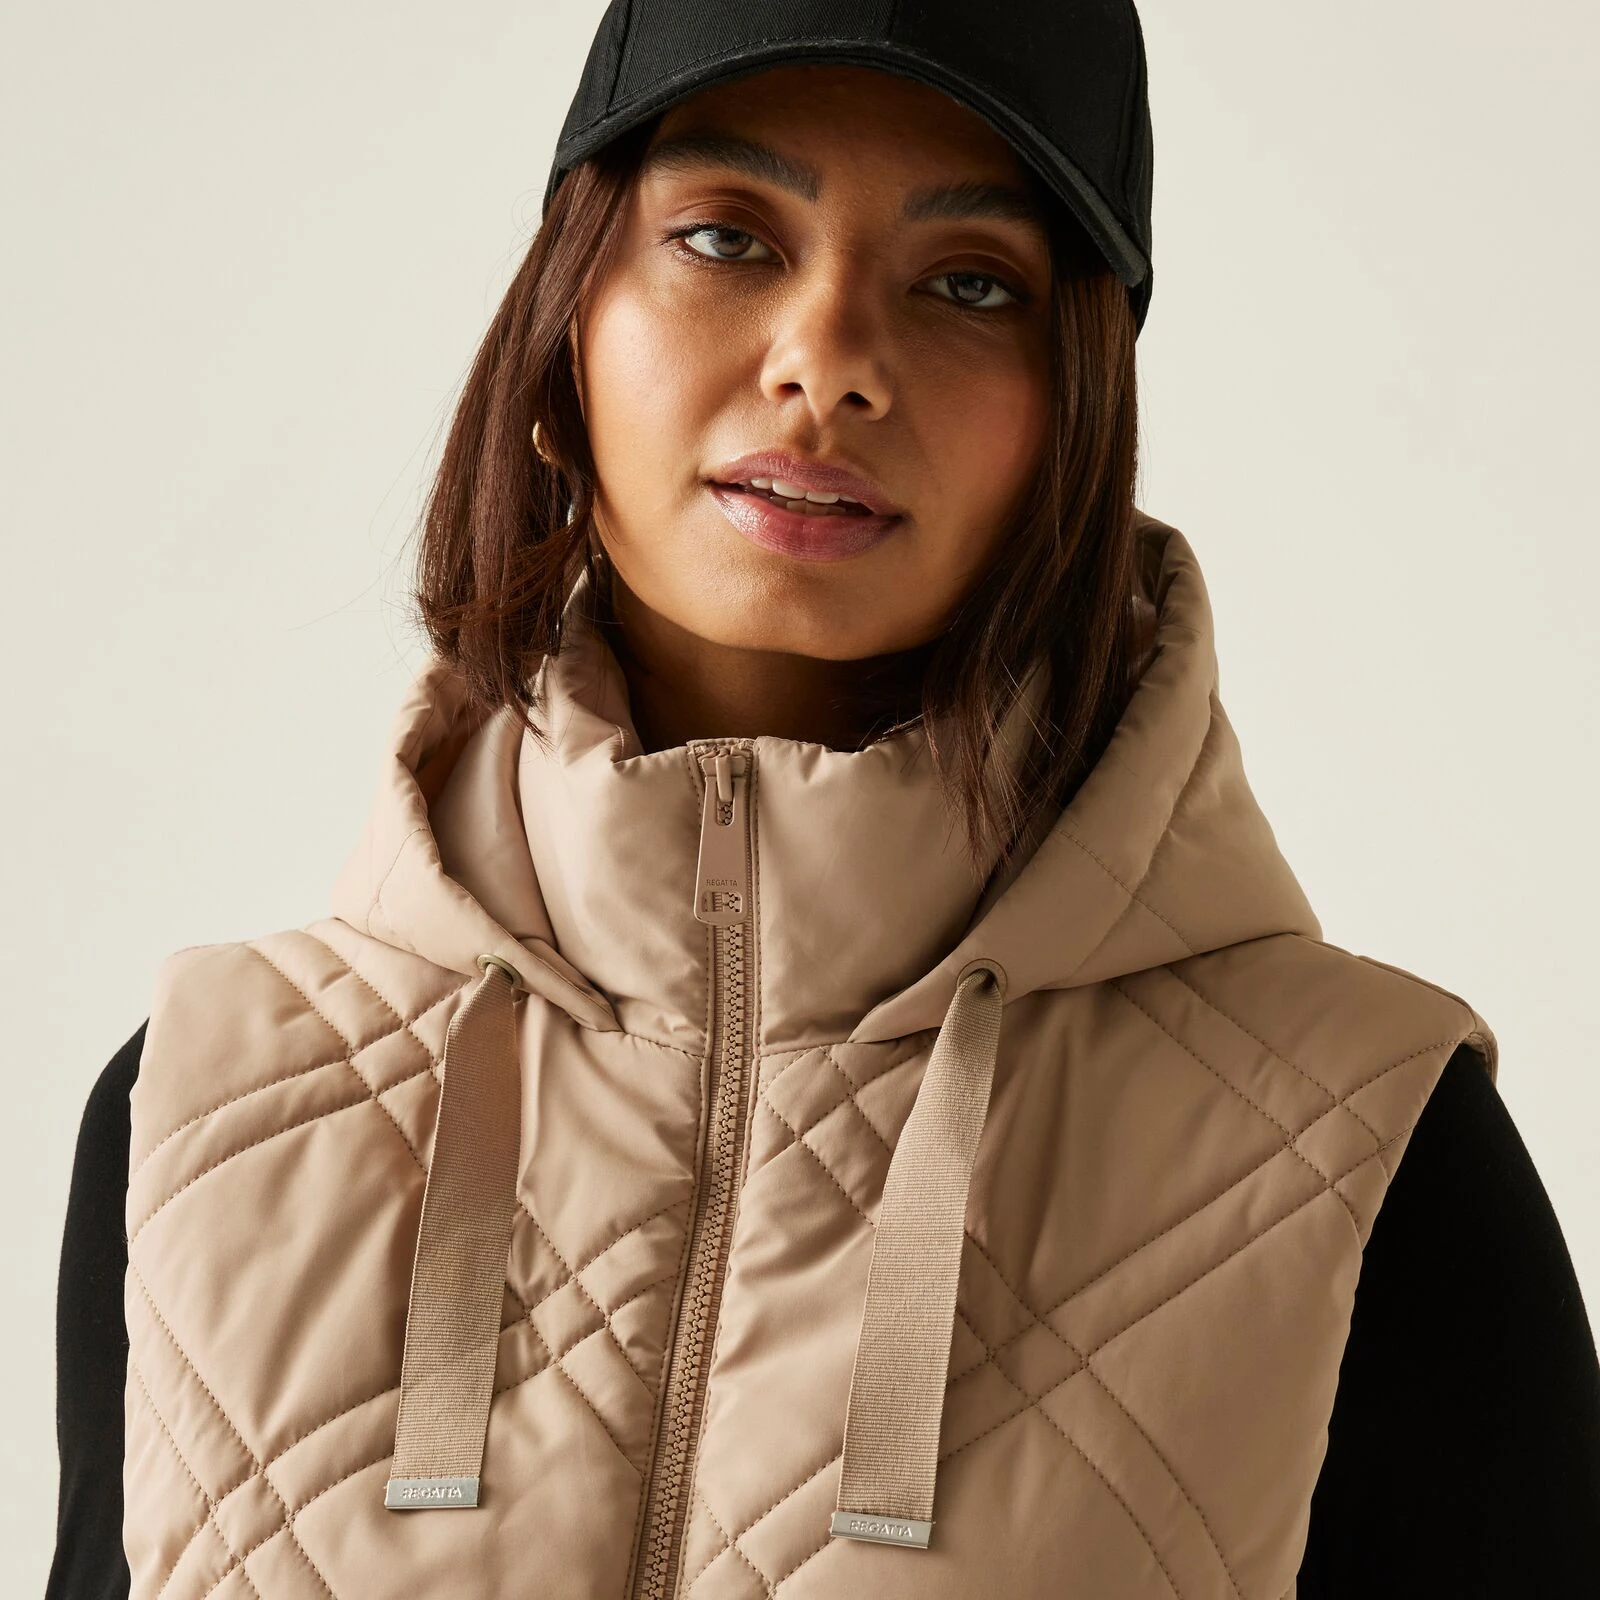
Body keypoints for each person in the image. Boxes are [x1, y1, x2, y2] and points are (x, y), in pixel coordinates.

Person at [48, 1, 1600, 1596]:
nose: (829, 362)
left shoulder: (1370, 1154)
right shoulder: (208, 1112)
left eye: (971, 283)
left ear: (1076, 416)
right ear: (564, 326)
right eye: (726, 238)